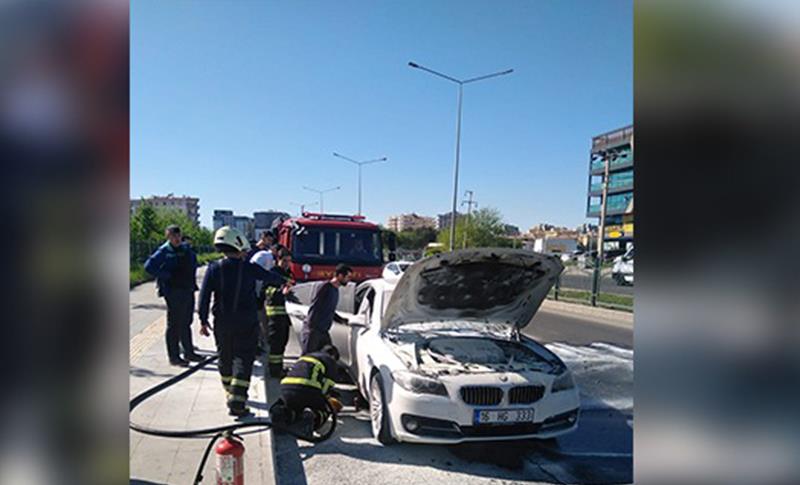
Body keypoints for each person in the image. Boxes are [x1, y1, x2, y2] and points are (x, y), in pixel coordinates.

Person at [198, 226, 289, 417]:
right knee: (243, 359)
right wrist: (284, 282)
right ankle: (237, 402)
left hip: (222, 322)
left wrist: (203, 320)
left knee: (225, 357)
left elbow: (204, 296)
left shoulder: (214, 268)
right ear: (238, 245)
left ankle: (229, 393)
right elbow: (269, 277)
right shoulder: (248, 267)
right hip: (246, 321)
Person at [144, 224, 202, 366]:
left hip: (187, 288)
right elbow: (148, 266)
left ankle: (189, 352)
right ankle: (174, 357)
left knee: (186, 321)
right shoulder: (164, 251)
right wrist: (167, 276)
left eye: (178, 235)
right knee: (174, 324)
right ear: (167, 236)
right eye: (173, 236)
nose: (176, 238)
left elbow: (194, 262)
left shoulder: (185, 249)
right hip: (173, 291)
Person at [275, 345, 344, 436]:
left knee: (295, 407)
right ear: (334, 356)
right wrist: (328, 401)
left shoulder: (307, 356)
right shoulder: (331, 362)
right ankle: (313, 418)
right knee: (323, 409)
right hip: (308, 389)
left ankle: (284, 415)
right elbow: (326, 387)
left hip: (286, 389)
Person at [300, 264, 351, 354]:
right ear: (340, 276)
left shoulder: (336, 291)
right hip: (313, 330)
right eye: (347, 276)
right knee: (308, 358)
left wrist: (341, 320)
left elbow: (329, 310)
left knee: (328, 356)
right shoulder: (325, 287)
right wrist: (311, 330)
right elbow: (315, 307)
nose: (349, 280)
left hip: (324, 331)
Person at [264, 248, 298, 377]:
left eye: (289, 261)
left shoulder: (288, 273)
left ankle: (278, 367)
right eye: (284, 261)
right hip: (275, 314)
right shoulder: (273, 273)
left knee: (283, 341)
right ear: (278, 260)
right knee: (276, 344)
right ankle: (274, 371)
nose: (287, 264)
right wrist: (280, 291)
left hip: (285, 314)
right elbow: (266, 291)